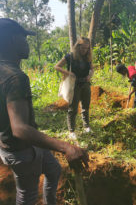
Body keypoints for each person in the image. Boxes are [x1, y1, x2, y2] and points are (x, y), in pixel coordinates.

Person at [0, 18, 89, 205]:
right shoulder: (15, 77)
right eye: (23, 37)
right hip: (22, 149)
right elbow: (19, 129)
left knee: (54, 169)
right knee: (27, 196)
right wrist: (66, 147)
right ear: (9, 40)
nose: (27, 41)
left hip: (10, 146)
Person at [55, 37, 94, 139]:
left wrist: (89, 76)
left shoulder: (87, 57)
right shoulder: (70, 56)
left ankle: (86, 127)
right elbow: (57, 66)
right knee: (73, 108)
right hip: (74, 85)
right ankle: (71, 131)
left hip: (85, 84)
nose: (84, 50)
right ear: (78, 46)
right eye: (82, 48)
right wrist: (68, 73)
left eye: (87, 48)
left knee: (85, 106)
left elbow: (92, 69)